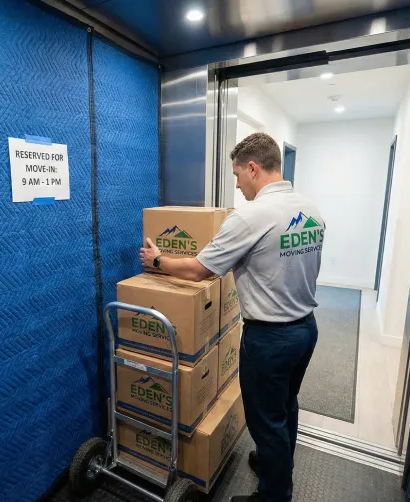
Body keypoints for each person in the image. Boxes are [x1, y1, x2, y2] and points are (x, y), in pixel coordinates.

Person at [139, 132, 325, 502]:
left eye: (238, 175)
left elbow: (199, 271)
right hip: (306, 329)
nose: (237, 185)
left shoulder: (252, 216)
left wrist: (157, 261)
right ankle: (276, 465)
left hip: (269, 338)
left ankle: (273, 495)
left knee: (265, 419)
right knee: (286, 406)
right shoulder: (310, 209)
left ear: (253, 168)